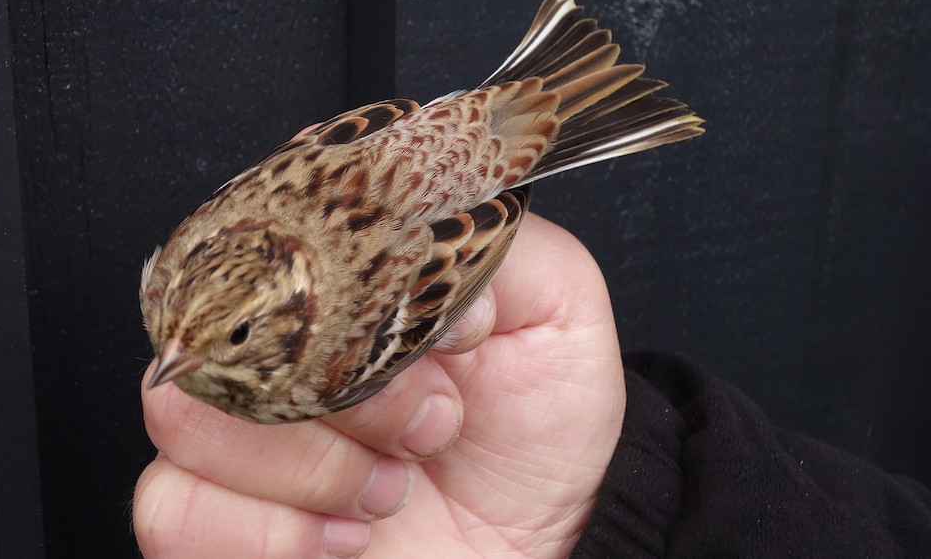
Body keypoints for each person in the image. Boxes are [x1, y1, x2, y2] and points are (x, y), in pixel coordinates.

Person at [132, 214, 931, 558]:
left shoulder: (328, 323)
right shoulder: (185, 286)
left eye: (231, 335)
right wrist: (602, 513)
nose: (171, 359)